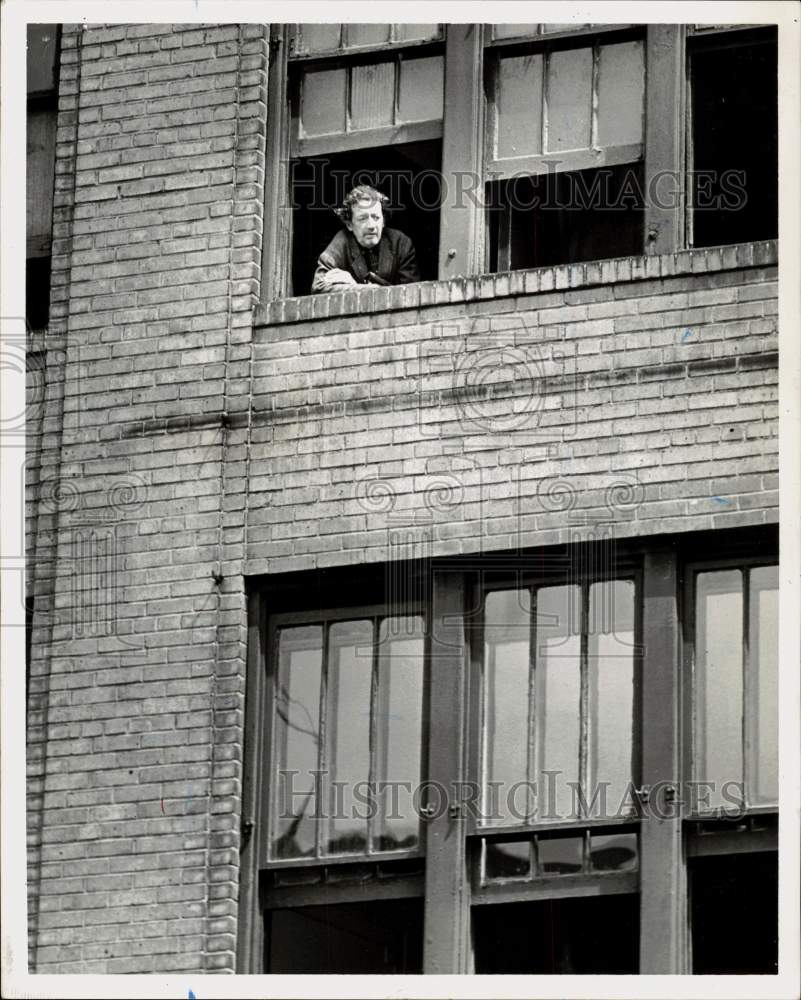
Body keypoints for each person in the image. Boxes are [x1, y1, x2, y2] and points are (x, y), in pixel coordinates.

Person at [311, 185, 420, 293]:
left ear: (383, 221)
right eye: (363, 218)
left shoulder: (401, 243)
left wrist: (353, 285)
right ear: (349, 224)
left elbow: (411, 294)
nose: (371, 225)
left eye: (376, 217)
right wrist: (364, 288)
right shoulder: (341, 242)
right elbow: (318, 286)